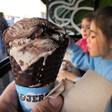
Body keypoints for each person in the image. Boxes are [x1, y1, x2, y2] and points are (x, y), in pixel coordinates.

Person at [66, 6, 112, 111]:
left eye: (93, 36)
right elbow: (83, 61)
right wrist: (71, 46)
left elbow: (97, 94)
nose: (87, 40)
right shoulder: (98, 59)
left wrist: (75, 78)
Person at [57, 12, 94, 82]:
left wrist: (74, 78)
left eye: (88, 27)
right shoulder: (81, 41)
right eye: (82, 27)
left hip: (84, 76)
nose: (84, 30)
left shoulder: (94, 47)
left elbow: (83, 61)